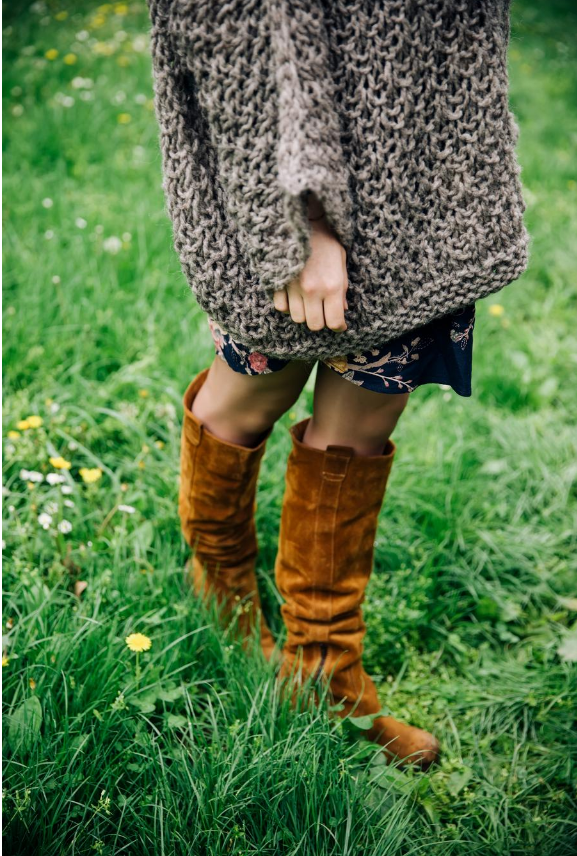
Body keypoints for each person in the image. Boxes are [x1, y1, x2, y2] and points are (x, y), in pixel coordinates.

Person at [147, 0, 529, 771]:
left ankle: (324, 668)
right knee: (253, 390)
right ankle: (219, 593)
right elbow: (227, 32)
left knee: (358, 427)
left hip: (419, 203)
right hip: (299, 207)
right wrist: (294, 226)